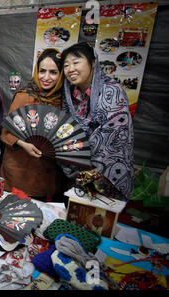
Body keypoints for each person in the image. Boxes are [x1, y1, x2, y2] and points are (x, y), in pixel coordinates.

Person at [61, 42, 134, 201]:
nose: (70, 69)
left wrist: (84, 157)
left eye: (76, 62)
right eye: (66, 65)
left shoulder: (112, 92)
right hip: (76, 173)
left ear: (93, 63)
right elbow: (64, 129)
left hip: (108, 170)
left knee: (100, 219)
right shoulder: (69, 96)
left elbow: (114, 137)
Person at [0, 48, 66, 201]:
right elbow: (6, 132)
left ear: (61, 74)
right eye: (42, 71)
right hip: (18, 172)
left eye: (53, 72)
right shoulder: (24, 97)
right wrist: (23, 144)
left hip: (46, 176)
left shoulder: (64, 102)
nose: (46, 77)